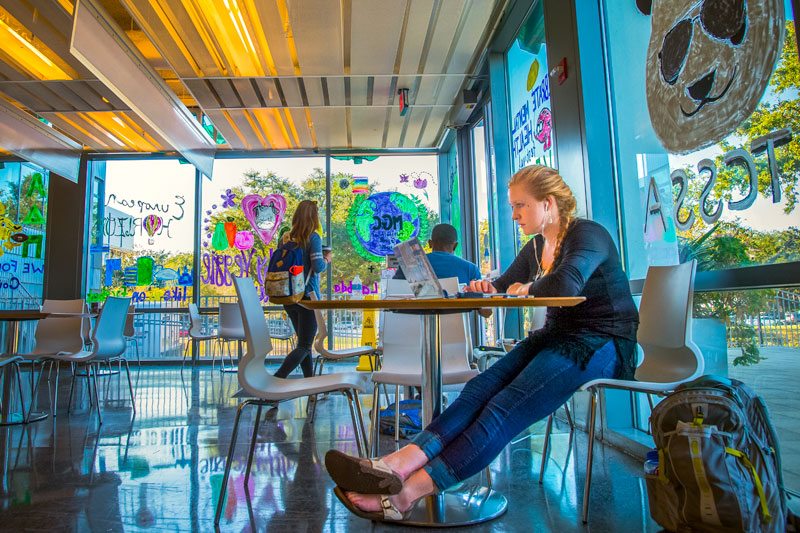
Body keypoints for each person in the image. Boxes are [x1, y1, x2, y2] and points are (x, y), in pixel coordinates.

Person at [324, 164, 640, 521]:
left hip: (602, 342)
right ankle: (394, 465)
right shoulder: (538, 246)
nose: (514, 215)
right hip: (557, 337)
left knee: (503, 408)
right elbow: (503, 285)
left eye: (521, 205)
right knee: (477, 390)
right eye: (512, 207)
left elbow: (566, 285)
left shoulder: (587, 234)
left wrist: (526, 288)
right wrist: (485, 288)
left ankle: (404, 496)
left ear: (548, 203)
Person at [273, 200, 332, 378]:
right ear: (314, 217)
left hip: (288, 296)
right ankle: (277, 379)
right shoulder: (313, 237)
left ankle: (310, 382)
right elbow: (317, 266)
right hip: (307, 297)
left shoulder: (285, 237)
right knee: (305, 345)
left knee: (302, 343)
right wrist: (327, 258)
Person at [393, 223, 481, 285]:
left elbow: (393, 295)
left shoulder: (410, 265)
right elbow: (485, 311)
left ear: (430, 243)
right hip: (459, 311)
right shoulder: (471, 269)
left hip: (418, 311)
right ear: (455, 246)